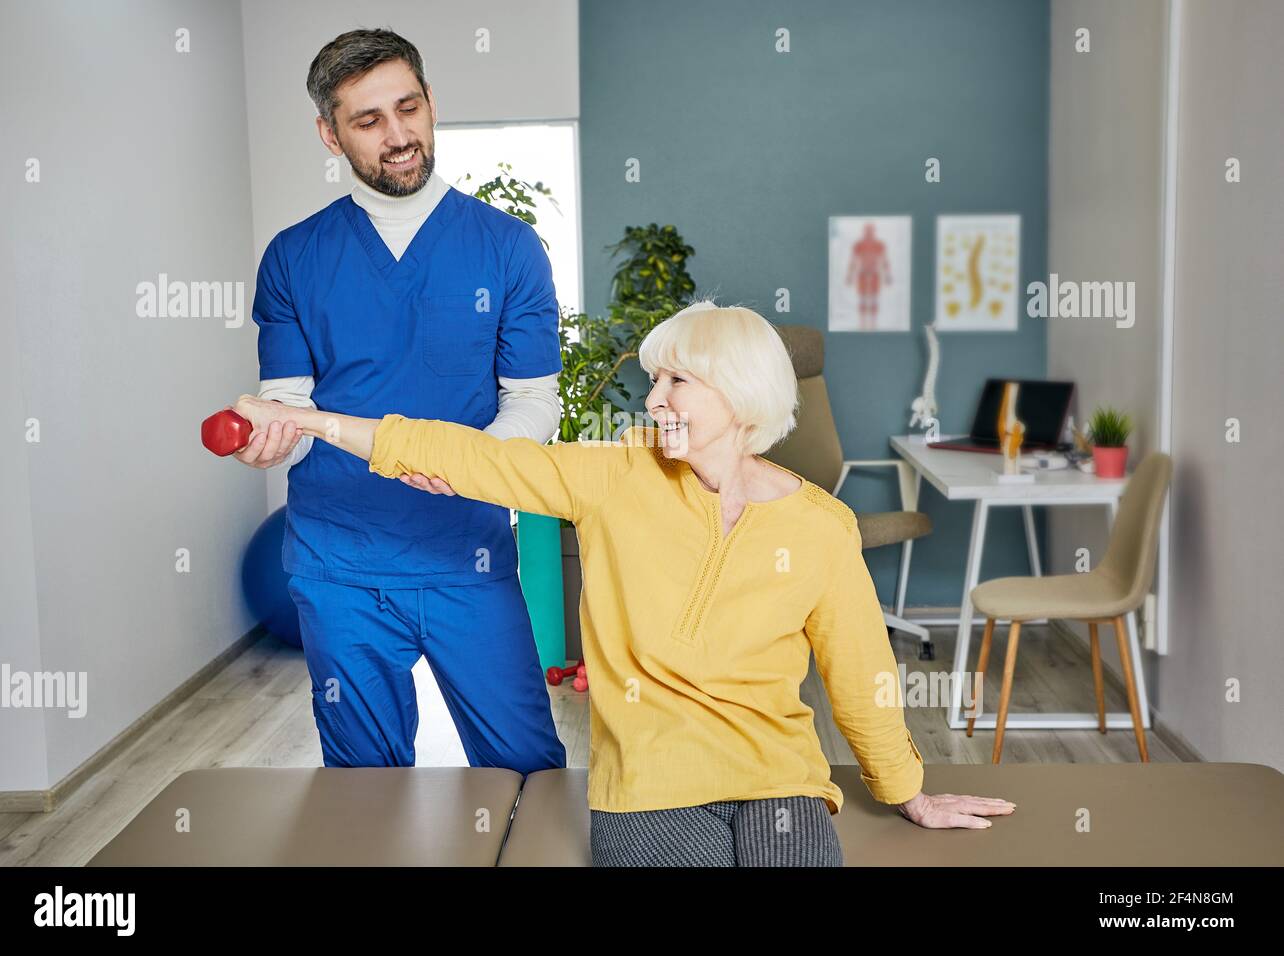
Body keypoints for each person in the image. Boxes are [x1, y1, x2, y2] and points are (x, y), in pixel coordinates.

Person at [230, 302, 1016, 867]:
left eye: (678, 381)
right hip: (648, 777)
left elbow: (863, 673)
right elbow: (473, 457)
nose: (654, 399)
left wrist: (906, 788)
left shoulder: (821, 528)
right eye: (655, 378)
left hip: (780, 774)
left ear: (740, 395)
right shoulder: (616, 474)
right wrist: (316, 423)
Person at [235, 27, 566, 775]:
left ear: (430, 103)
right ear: (330, 133)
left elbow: (533, 402)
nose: (399, 136)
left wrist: (465, 463)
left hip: (466, 552)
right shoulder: (294, 256)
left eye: (409, 108)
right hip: (338, 562)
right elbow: (289, 403)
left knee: (527, 772)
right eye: (368, 120)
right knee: (364, 789)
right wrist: (270, 432)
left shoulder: (508, 249)